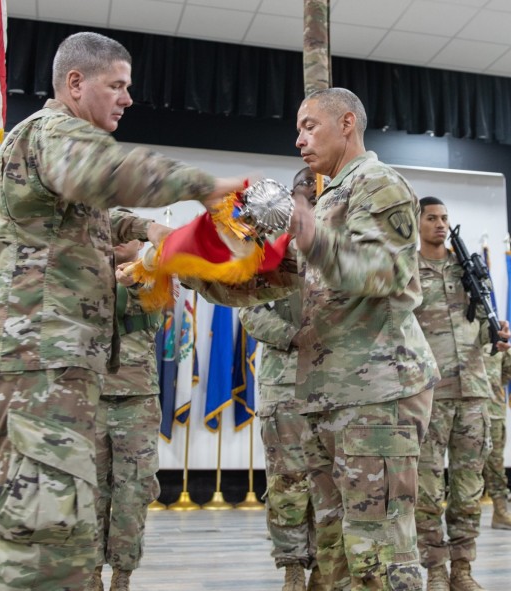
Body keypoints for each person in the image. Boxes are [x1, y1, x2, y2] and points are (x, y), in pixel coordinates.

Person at [0, 31, 245, 591]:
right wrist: (203, 186)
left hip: (51, 363)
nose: (126, 98)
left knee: (45, 530)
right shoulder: (55, 134)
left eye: (128, 88)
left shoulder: (55, 152)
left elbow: (97, 215)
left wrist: (147, 229)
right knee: (46, 547)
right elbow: (104, 172)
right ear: (76, 83)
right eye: (116, 86)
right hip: (39, 361)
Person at [189, 87, 441, 590]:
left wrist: (311, 237)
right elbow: (274, 282)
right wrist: (193, 265)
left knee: (379, 552)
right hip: (324, 394)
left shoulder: (378, 184)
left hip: (377, 395)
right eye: (298, 128)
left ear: (347, 123)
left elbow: (387, 271)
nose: (298, 138)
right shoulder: (330, 198)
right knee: (334, 550)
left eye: (309, 126)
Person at [413, 196, 510, 591]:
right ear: (416, 223)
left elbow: (482, 326)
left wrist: (498, 337)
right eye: (432, 218)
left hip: (474, 392)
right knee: (428, 490)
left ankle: (462, 569)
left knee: (469, 489)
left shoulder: (468, 269)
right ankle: (435, 569)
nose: (440, 224)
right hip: (429, 396)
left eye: (444, 218)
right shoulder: (407, 271)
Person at [238, 167, 321, 591]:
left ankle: (324, 570)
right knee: (288, 480)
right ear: (291, 199)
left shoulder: (335, 251)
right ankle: (291, 566)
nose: (310, 201)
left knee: (330, 481)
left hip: (334, 384)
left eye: (317, 193)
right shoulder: (269, 247)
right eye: (304, 194)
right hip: (283, 382)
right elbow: (249, 309)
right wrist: (294, 336)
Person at [85, 237, 162, 591]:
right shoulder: (83, 271)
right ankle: (89, 574)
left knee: (133, 490)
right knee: (90, 490)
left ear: (138, 243)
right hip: (90, 394)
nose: (118, 241)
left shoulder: (154, 272)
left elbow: (155, 308)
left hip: (137, 396)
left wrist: (128, 283)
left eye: (126, 235)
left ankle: (122, 575)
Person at [482, 345, 511, 529]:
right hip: (458, 410)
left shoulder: (495, 337)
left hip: (492, 411)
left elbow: (507, 370)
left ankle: (501, 512)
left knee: (496, 466)